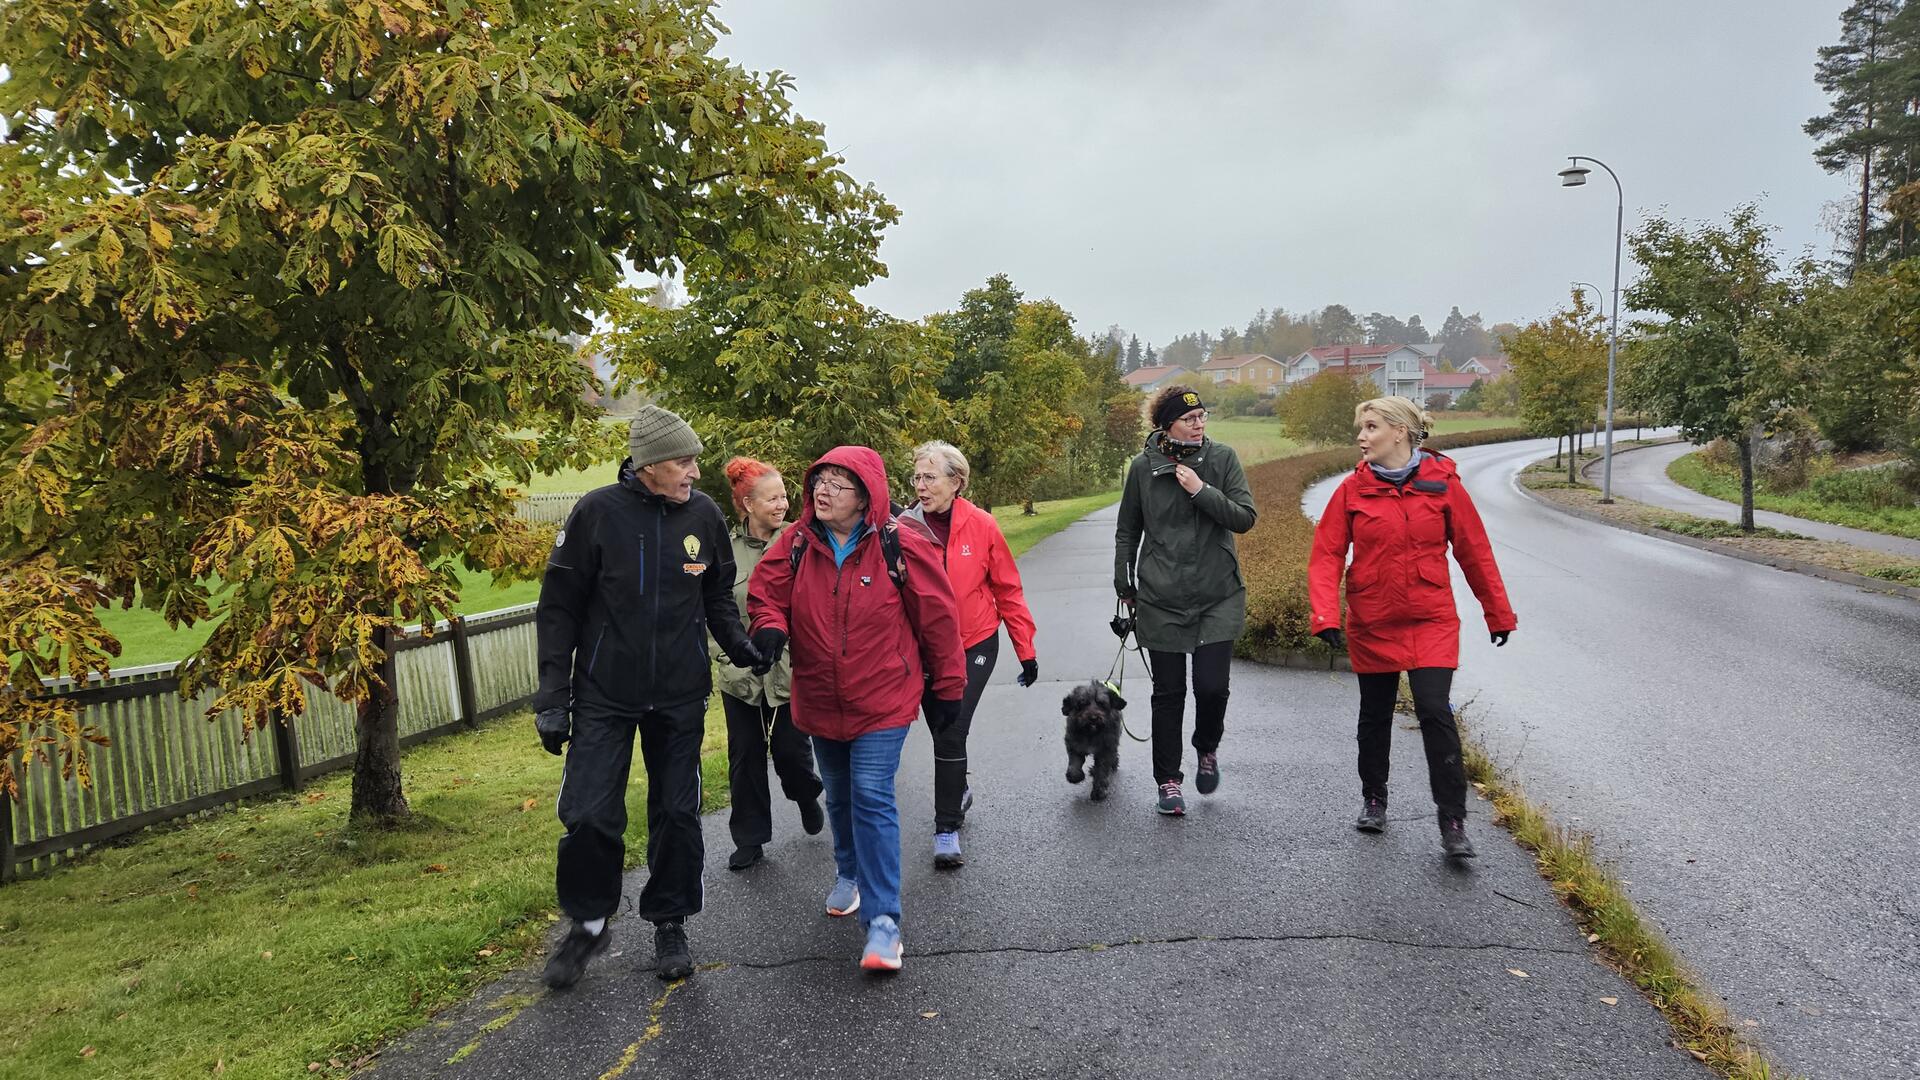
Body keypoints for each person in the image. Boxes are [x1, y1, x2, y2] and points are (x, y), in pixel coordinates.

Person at [532, 405, 765, 989]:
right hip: (604, 694)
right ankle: (589, 923)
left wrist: (740, 646)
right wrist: (552, 698)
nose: (695, 472)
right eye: (684, 462)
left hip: (680, 694)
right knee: (589, 814)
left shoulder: (703, 515)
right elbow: (558, 610)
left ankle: (670, 922)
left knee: (677, 813)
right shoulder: (597, 513)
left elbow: (717, 597)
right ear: (650, 465)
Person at [748, 446, 965, 972]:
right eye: (819, 480)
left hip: (883, 697)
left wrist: (949, 687)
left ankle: (884, 922)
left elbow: (938, 618)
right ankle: (849, 872)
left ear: (866, 497)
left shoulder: (901, 544)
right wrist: (770, 626)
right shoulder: (796, 542)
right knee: (840, 795)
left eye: (838, 483)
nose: (823, 491)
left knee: (870, 793)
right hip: (820, 696)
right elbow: (765, 592)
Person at [1307, 396, 1517, 858]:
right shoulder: (1352, 490)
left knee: (1435, 711)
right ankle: (1374, 799)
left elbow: (1475, 552)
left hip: (1430, 618)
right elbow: (1326, 555)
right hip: (1373, 618)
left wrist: (1497, 612)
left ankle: (1453, 821)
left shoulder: (1443, 486)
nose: (1361, 436)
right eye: (1361, 427)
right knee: (1375, 714)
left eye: (1371, 427)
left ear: (1399, 432)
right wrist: (1324, 614)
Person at [1114, 386, 1257, 816]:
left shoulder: (1222, 459)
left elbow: (1244, 518)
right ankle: (1168, 781)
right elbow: (1128, 530)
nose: (1199, 425)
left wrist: (1201, 490)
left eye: (1202, 416)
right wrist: (1124, 581)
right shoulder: (1142, 468)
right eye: (1189, 419)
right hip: (1161, 596)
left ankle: (1206, 747)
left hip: (1218, 594)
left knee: (1212, 688)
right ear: (1167, 425)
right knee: (1168, 693)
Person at [898, 441, 1040, 869]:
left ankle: (946, 828)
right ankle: (957, 785)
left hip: (974, 643)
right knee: (942, 728)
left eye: (930, 477)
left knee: (951, 730)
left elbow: (1007, 589)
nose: (921, 486)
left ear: (956, 481)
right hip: (924, 649)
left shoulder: (982, 525)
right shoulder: (902, 528)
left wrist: (1025, 650)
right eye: (917, 477)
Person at [715, 457, 825, 872]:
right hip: (739, 674)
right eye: (772, 498)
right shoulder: (724, 550)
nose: (782, 505)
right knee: (744, 757)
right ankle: (750, 838)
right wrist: (728, 657)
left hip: (791, 672)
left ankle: (806, 795)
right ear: (748, 503)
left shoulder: (801, 542)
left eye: (784, 497)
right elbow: (714, 610)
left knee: (791, 754)